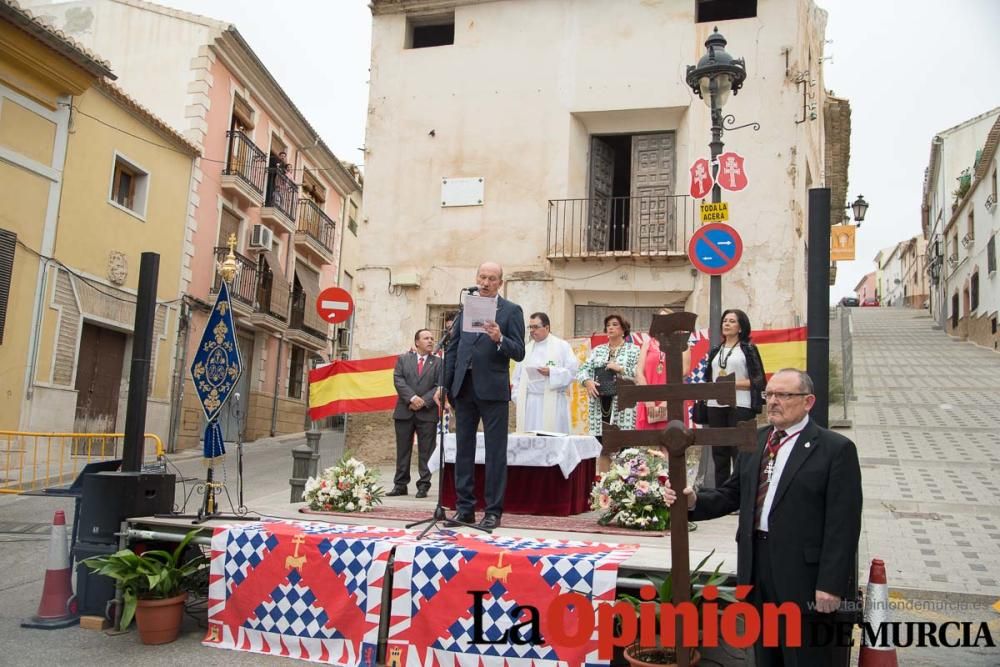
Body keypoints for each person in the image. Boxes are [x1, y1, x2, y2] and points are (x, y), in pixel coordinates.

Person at [670, 369, 863, 667]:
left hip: (804, 577)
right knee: (766, 656)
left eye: (783, 395)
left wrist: (831, 584)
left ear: (808, 401)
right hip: (758, 567)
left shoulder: (835, 450)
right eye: (769, 394)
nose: (773, 401)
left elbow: (844, 525)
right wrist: (694, 500)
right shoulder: (756, 441)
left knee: (804, 656)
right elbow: (732, 494)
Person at [443, 262, 525, 531]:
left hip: (493, 390)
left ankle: (492, 511)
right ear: (476, 278)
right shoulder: (466, 307)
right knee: (463, 451)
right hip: (464, 388)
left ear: (500, 283)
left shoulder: (511, 311)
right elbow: (454, 348)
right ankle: (464, 508)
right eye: (482, 277)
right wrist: (444, 387)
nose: (485, 282)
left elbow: (519, 352)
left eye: (492, 278)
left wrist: (500, 338)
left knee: (494, 453)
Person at [704, 308, 766, 487]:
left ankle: (741, 494)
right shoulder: (716, 350)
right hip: (715, 404)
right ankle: (721, 494)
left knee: (739, 451)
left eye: (732, 321)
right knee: (719, 451)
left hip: (741, 404)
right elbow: (710, 377)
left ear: (740, 327)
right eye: (725, 320)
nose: (727, 324)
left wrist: (730, 384)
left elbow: (758, 380)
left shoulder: (748, 349)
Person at [388, 329, 441, 498]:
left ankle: (424, 485)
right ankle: (400, 484)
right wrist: (411, 398)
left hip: (427, 412)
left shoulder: (439, 363)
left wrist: (423, 401)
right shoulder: (403, 359)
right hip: (405, 411)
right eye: (426, 338)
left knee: (426, 450)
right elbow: (398, 380)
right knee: (403, 449)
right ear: (417, 342)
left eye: (432, 338)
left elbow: (440, 385)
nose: (430, 341)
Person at [511, 312, 579, 434]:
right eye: (530, 327)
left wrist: (552, 372)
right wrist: (519, 398)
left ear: (547, 327)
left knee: (552, 440)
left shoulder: (562, 346)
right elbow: (516, 378)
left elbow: (573, 372)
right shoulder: (526, 349)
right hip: (530, 404)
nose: (532, 330)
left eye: (535, 327)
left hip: (554, 404)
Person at [576, 314, 640, 438]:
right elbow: (582, 370)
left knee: (623, 443)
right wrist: (587, 381)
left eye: (615, 325)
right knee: (601, 444)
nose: (610, 328)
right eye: (608, 325)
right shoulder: (598, 350)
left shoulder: (634, 350)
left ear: (623, 330)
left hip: (623, 402)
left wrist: (621, 369)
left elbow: (640, 374)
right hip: (599, 401)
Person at [635, 308, 691, 429]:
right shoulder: (647, 344)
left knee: (672, 442)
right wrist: (648, 400)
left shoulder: (682, 344)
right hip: (649, 399)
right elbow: (639, 372)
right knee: (648, 444)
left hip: (672, 398)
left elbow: (684, 372)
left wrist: (668, 400)